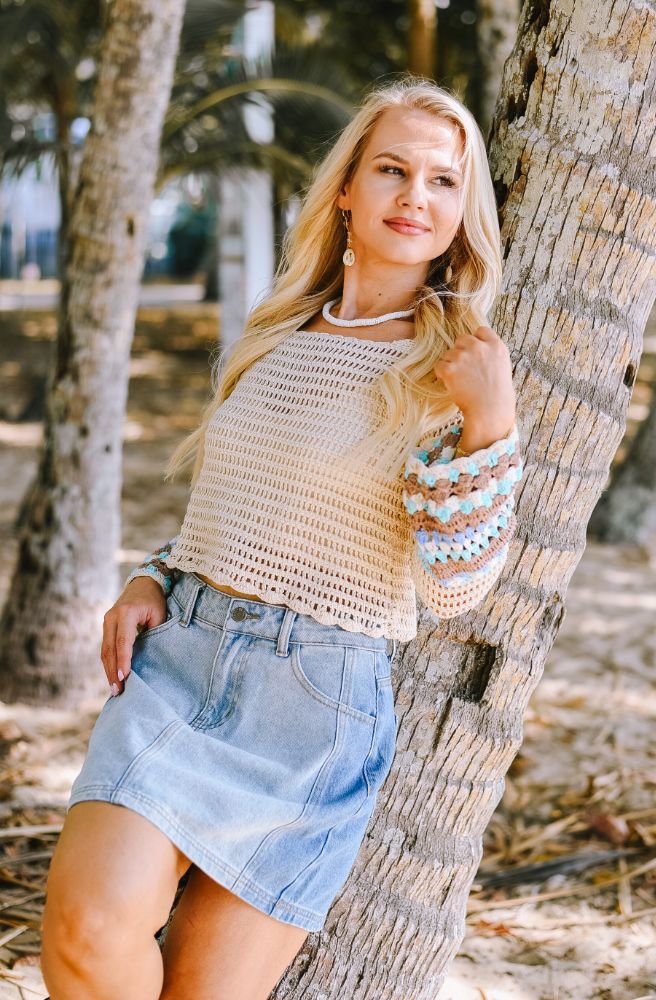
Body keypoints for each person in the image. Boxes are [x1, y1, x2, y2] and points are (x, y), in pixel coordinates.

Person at [40, 76, 523, 1000]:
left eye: (442, 181)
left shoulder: (460, 368)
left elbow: (456, 590)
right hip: (182, 663)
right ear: (346, 187)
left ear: (464, 213)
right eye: (391, 169)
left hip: (316, 705)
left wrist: (489, 426)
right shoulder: (278, 330)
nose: (415, 197)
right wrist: (154, 576)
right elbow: (234, 507)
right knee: (90, 930)